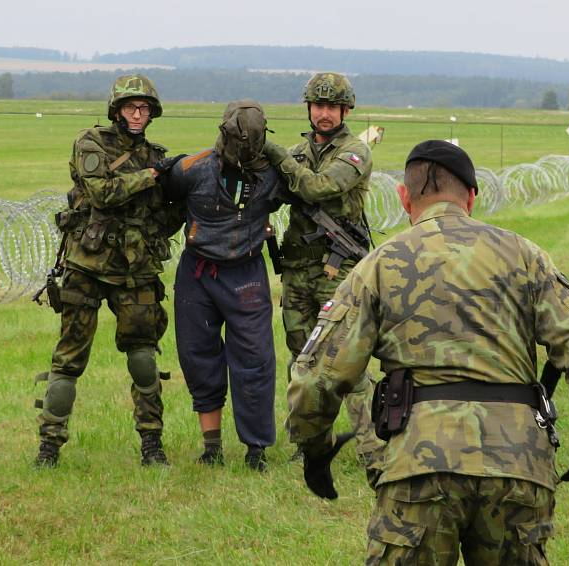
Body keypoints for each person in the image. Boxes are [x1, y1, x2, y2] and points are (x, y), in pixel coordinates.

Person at [286, 140, 569, 564]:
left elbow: (318, 375)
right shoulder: (527, 257)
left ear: (403, 197)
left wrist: (315, 448)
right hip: (517, 466)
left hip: (419, 468)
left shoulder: (378, 265)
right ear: (471, 196)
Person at [35, 74, 185, 467]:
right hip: (86, 265)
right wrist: (152, 176)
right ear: (116, 110)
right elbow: (103, 192)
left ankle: (152, 446)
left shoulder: (157, 155)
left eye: (144, 108)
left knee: (143, 357)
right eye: (130, 107)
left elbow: (164, 216)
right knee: (68, 359)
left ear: (152, 113)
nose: (137, 114)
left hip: (135, 271)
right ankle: (49, 447)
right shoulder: (92, 143)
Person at [262, 72, 381, 471]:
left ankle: (373, 449)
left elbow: (317, 189)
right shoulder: (298, 153)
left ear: (345, 110)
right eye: (318, 105)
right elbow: (275, 194)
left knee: (347, 364)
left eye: (332, 106)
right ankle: (310, 445)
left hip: (339, 270)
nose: (324, 113)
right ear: (309, 108)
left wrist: (277, 157)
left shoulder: (355, 152)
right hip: (297, 269)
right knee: (302, 362)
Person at [161, 100, 285, 470]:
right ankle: (211, 448)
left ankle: (255, 450)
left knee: (255, 359)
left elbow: (309, 192)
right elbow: (161, 195)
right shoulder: (190, 169)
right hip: (197, 274)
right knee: (198, 356)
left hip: (247, 273)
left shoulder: (273, 176)